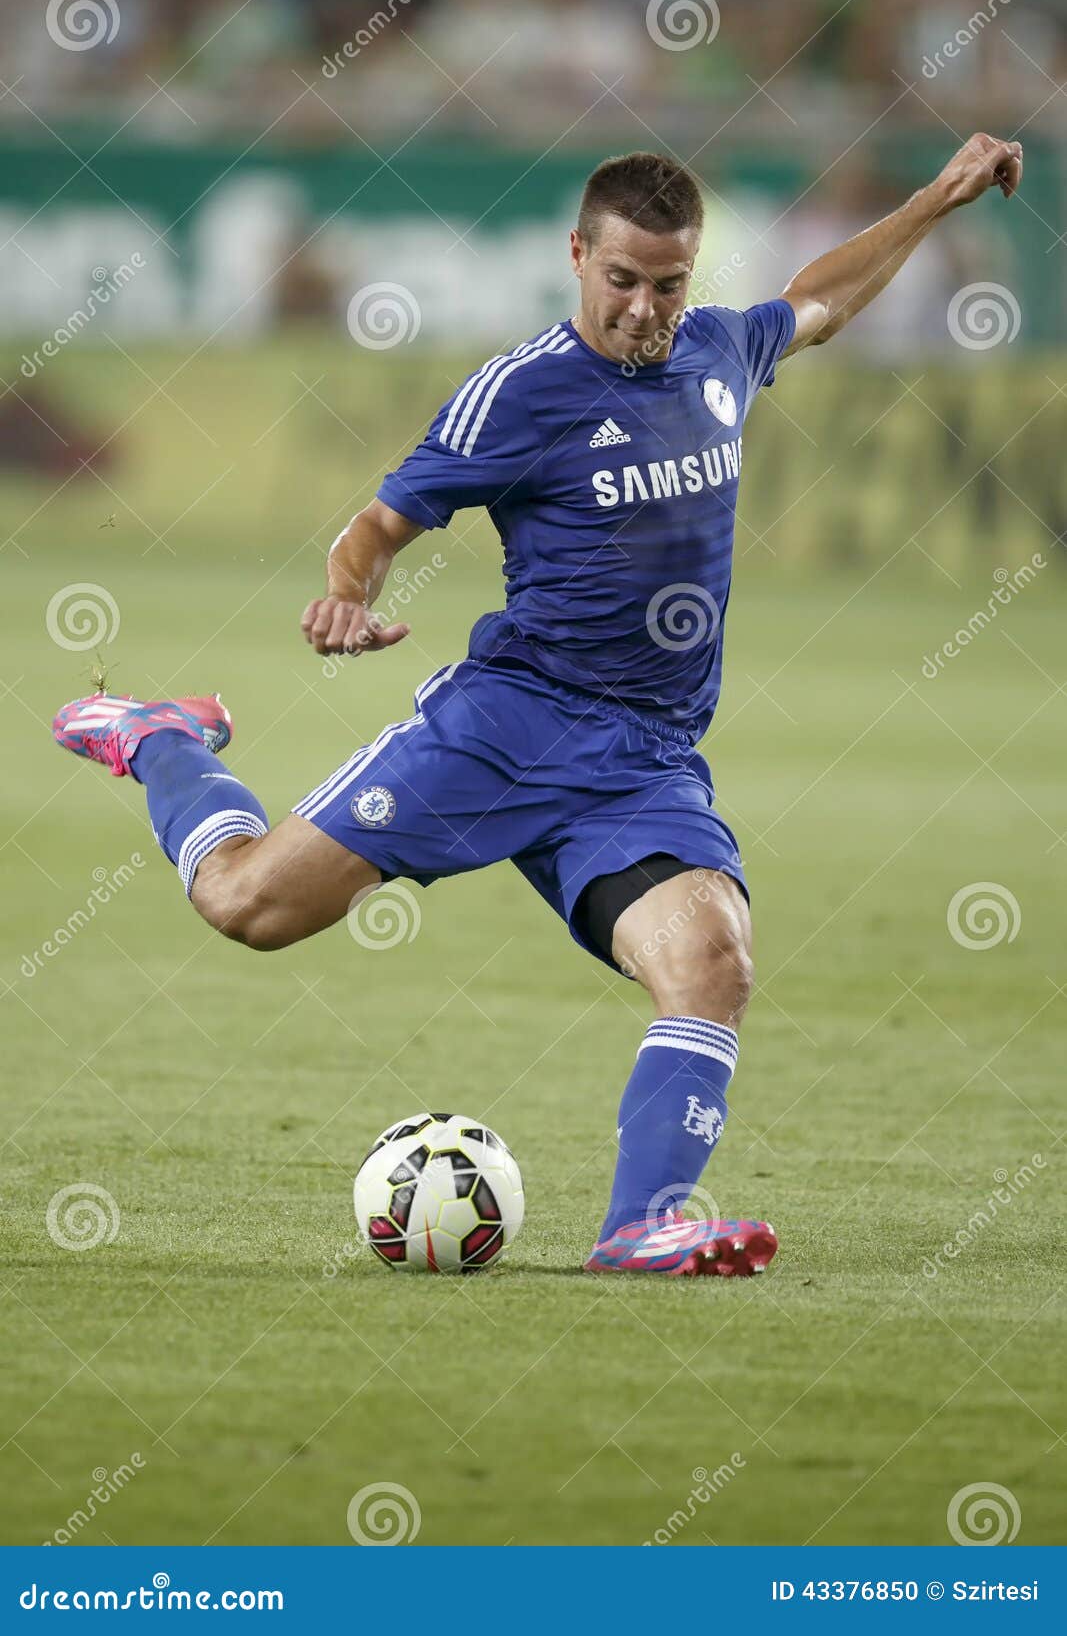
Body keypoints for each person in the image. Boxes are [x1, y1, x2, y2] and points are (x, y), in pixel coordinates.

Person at [54, 134, 1023, 1277]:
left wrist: (934, 199)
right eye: (620, 281)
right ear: (577, 256)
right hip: (507, 725)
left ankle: (640, 1224)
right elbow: (373, 529)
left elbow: (818, 300)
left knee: (712, 961)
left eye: (667, 284)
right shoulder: (519, 392)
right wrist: (344, 601)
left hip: (644, 760)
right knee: (246, 904)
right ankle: (161, 740)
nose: (644, 310)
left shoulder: (718, 353)